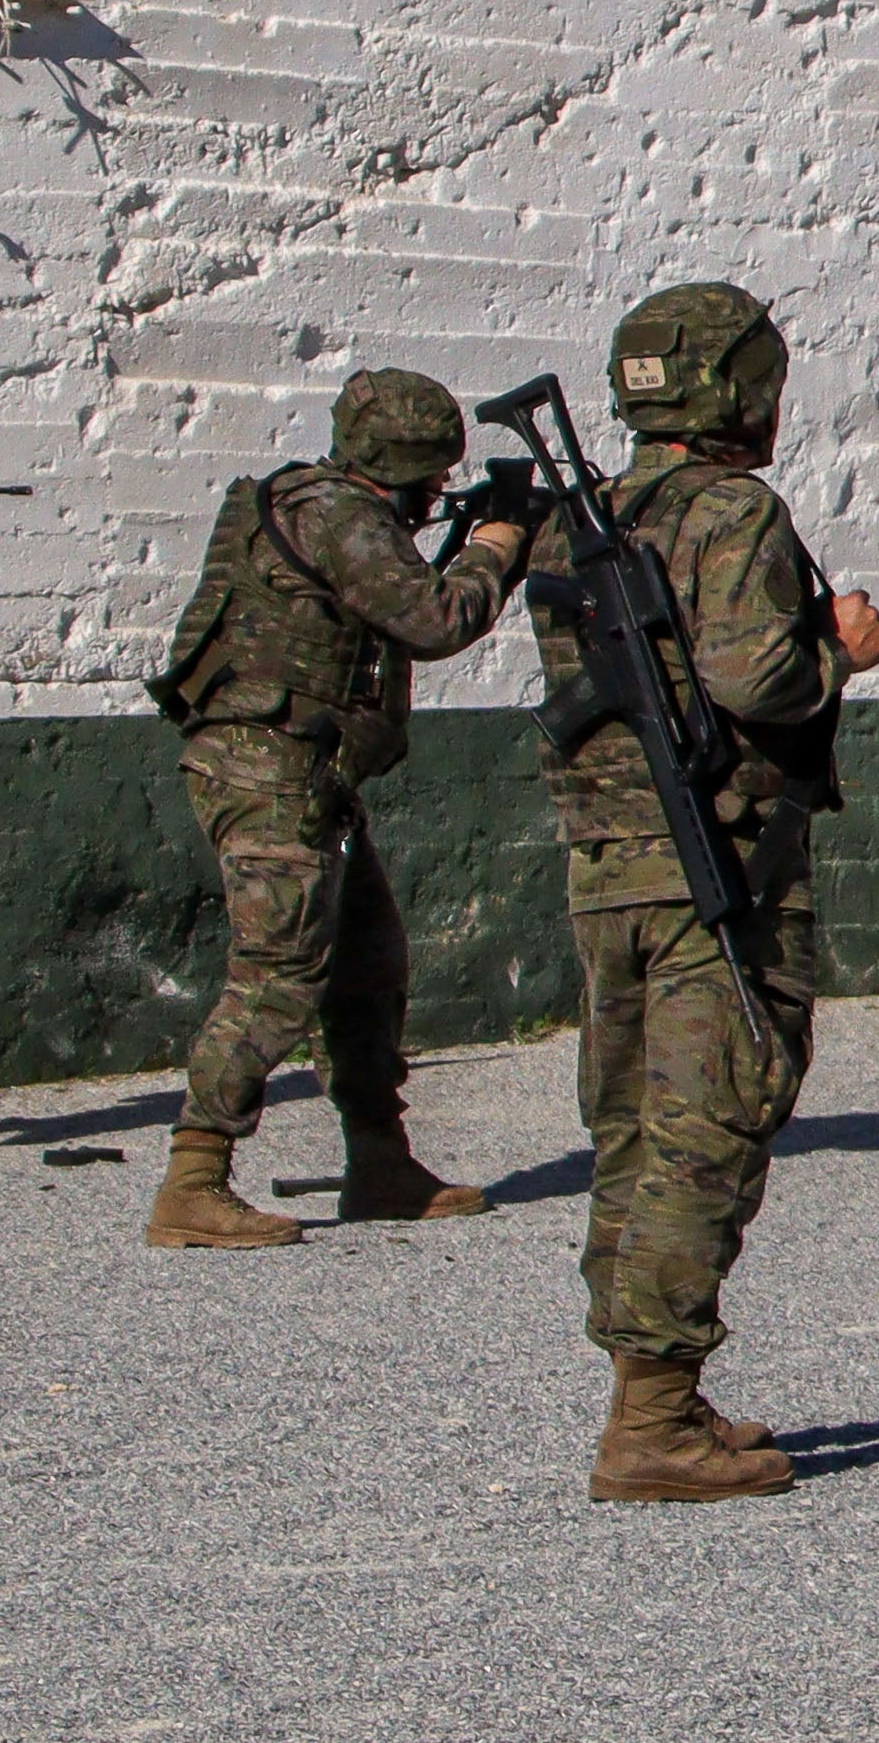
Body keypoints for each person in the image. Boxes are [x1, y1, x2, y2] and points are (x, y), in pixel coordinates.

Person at [530, 283, 879, 1504]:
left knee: (634, 1126)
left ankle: (653, 1392)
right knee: (711, 1126)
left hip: (609, 868)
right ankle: (650, 1421)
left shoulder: (591, 513)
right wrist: (844, 648)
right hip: (716, 867)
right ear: (738, 389)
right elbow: (759, 681)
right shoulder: (731, 510)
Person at [140, 369, 530, 1249]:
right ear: (400, 470)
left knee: (366, 962)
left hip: (302, 770)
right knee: (278, 973)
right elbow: (432, 619)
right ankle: (192, 1181)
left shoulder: (315, 502)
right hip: (270, 769)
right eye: (431, 483)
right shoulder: (344, 518)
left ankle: (379, 1160)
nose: (437, 497)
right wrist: (494, 548)